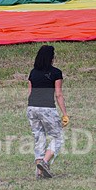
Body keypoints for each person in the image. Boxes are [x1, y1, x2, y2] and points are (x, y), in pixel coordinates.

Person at [27, 45, 69, 179]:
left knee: (39, 137)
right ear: (51, 58)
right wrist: (65, 114)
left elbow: (30, 93)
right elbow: (58, 94)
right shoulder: (56, 73)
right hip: (47, 108)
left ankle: (39, 173)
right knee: (58, 137)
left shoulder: (33, 72)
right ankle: (44, 162)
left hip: (31, 108)